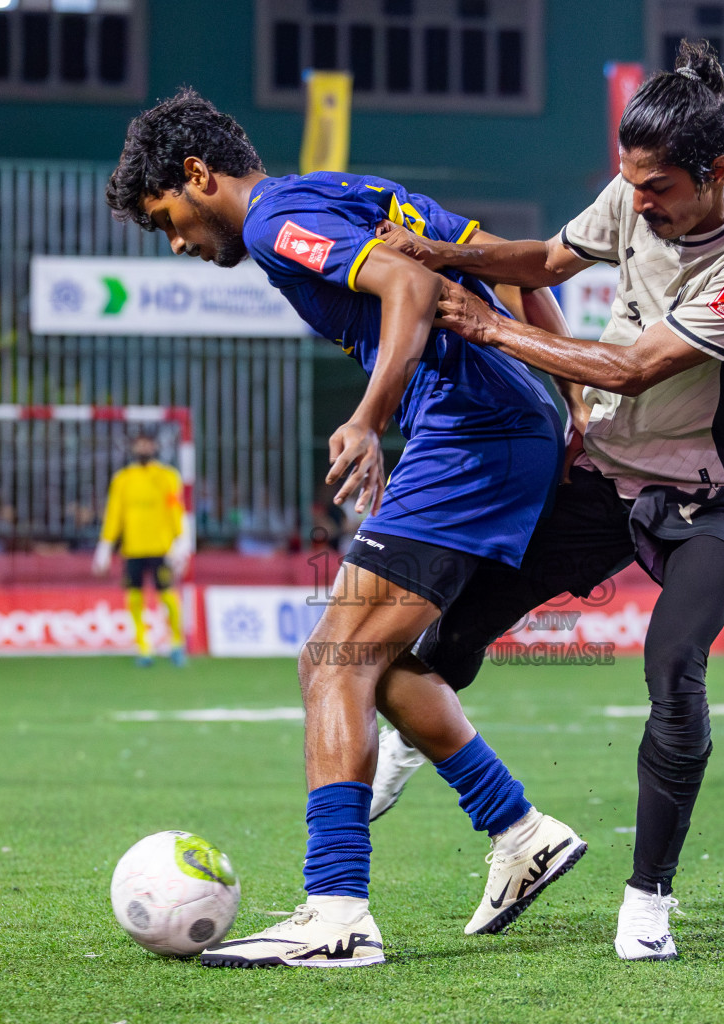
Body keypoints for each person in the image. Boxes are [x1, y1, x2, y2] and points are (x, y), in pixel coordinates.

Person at [106, 88, 586, 968]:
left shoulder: (272, 221)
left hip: (472, 428)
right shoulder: (350, 188)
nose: (174, 239)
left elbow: (410, 281)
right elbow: (510, 264)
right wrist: (569, 398)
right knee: (384, 661)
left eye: (163, 217)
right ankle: (520, 833)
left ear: (196, 175)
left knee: (333, 658)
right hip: (502, 424)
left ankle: (336, 912)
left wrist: (369, 417)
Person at [370, 40, 724, 960]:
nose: (637, 204)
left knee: (673, 669)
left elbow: (632, 366)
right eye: (630, 184)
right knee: (460, 619)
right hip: (606, 472)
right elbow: (547, 260)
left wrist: (484, 322)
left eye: (655, 190)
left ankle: (646, 902)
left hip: (713, 497)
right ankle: (418, 745)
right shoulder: (635, 189)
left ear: (718, 173)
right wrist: (444, 252)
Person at [92, 430, 191, 667]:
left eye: (147, 445)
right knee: (134, 598)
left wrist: (182, 540)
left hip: (161, 547)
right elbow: (114, 514)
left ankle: (176, 643)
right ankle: (143, 647)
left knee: (167, 596)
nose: (143, 449)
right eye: (140, 445)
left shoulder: (167, 476)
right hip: (133, 549)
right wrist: (105, 545)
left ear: (155, 447)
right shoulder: (123, 479)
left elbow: (175, 509)